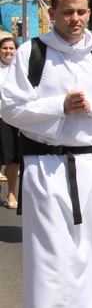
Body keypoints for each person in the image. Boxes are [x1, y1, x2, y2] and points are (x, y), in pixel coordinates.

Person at [0, 0, 92, 307]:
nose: (75, 18)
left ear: (88, 12)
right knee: (49, 255)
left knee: (89, 252)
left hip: (89, 164)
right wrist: (59, 106)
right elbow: (9, 106)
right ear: (52, 14)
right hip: (44, 166)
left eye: (81, 11)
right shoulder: (33, 52)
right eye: (67, 12)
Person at [0, 36, 19, 209]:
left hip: (13, 119)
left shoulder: (20, 69)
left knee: (13, 158)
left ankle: (11, 192)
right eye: (4, 48)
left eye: (11, 48)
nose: (8, 51)